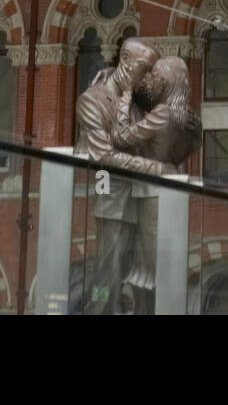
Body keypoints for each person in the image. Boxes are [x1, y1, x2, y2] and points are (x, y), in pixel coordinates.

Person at [74, 38, 173, 314]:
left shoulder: (140, 99)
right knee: (108, 278)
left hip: (144, 201)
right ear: (126, 61)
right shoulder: (92, 100)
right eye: (146, 68)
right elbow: (103, 156)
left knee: (145, 277)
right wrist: (154, 169)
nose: (150, 76)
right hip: (112, 201)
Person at [112, 56, 202, 314]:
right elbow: (189, 148)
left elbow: (121, 136)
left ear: (168, 81)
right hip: (172, 183)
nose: (151, 81)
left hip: (151, 190)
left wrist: (126, 98)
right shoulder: (185, 116)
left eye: (156, 77)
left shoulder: (161, 113)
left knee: (149, 264)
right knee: (160, 258)